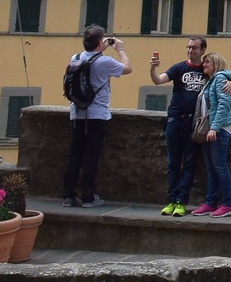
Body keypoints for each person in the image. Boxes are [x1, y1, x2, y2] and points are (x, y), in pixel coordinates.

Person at [62, 25, 131, 208]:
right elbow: (127, 68)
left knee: (74, 155)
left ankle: (68, 196)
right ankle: (88, 197)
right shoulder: (105, 62)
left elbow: (90, 59)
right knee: (91, 156)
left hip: (76, 113)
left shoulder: (75, 58)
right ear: (100, 42)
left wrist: (101, 45)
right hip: (97, 114)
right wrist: (120, 49)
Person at [148, 35, 209, 216]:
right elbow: (158, 80)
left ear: (203, 50)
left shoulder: (206, 69)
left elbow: (225, 74)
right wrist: (153, 68)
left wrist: (229, 81)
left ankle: (182, 202)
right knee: (173, 163)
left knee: (189, 163)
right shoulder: (179, 68)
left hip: (194, 123)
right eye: (188, 47)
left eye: (194, 48)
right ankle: (171, 200)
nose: (190, 50)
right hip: (175, 120)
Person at [190, 52, 231, 217]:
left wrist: (215, 128)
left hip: (218, 130)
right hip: (210, 129)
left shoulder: (219, 79)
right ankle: (210, 202)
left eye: (207, 63)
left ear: (215, 64)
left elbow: (223, 104)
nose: (204, 65)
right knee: (211, 168)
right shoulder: (211, 81)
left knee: (220, 167)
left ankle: (228, 203)